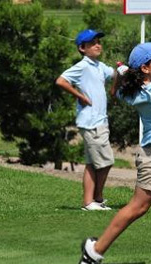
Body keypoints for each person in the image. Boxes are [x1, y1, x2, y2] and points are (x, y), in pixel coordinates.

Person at [79, 42, 151, 264]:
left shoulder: (134, 92)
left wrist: (121, 74)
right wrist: (134, 74)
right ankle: (94, 252)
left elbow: (115, 92)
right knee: (138, 207)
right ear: (146, 68)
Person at [56, 29, 115, 211]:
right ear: (82, 48)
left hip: (98, 121)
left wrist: (122, 72)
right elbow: (61, 81)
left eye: (99, 42)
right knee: (106, 161)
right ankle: (96, 198)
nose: (98, 45)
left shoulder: (99, 65)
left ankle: (89, 202)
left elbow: (114, 74)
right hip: (92, 122)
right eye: (93, 43)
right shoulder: (83, 66)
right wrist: (80, 96)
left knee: (92, 164)